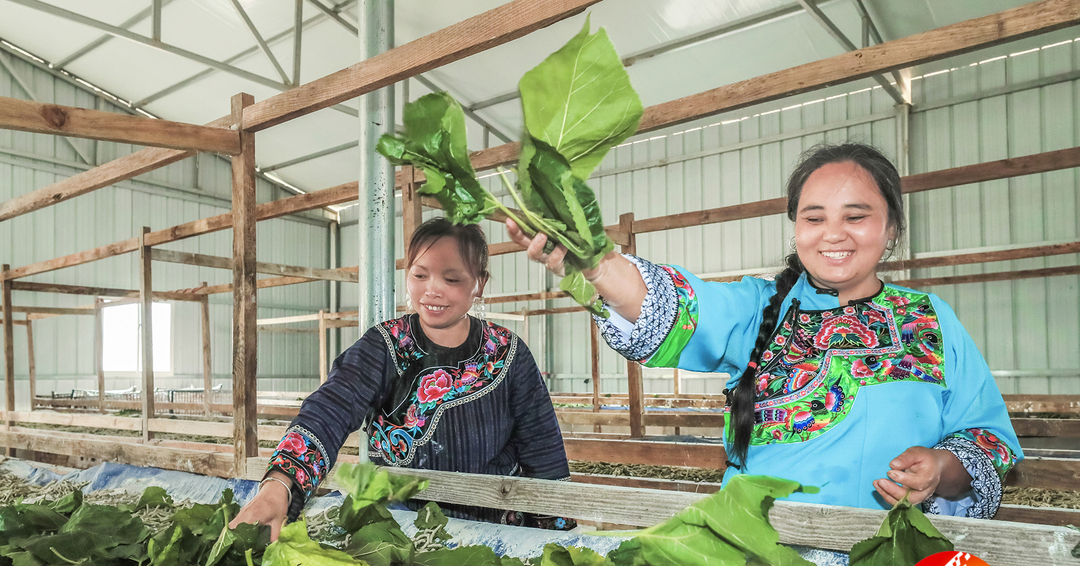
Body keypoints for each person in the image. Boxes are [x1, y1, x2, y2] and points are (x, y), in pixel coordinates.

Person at [509, 142, 1022, 518]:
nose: (833, 234)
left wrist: (942, 467)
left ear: (891, 230)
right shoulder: (760, 310)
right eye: (813, 217)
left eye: (857, 216)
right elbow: (676, 304)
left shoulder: (930, 320)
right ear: (796, 228)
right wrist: (598, 263)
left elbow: (989, 439)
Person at [232, 217, 573, 540]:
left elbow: (543, 452)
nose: (432, 290)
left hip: (492, 536)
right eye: (419, 275)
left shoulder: (508, 353)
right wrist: (280, 483)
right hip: (396, 533)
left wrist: (557, 535)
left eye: (451, 279)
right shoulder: (385, 346)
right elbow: (331, 408)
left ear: (479, 283)